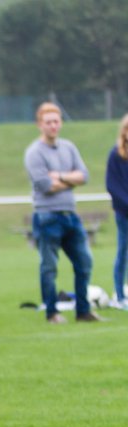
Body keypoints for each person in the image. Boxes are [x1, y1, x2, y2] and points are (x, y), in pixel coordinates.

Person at [25, 102, 98, 323]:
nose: (53, 126)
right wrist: (69, 178)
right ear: (40, 125)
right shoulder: (34, 153)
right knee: (49, 267)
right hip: (47, 216)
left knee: (84, 262)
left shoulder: (69, 147)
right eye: (48, 122)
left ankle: (83, 311)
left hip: (70, 215)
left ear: (61, 123)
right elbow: (45, 185)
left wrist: (60, 176)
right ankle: (52, 313)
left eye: (56, 121)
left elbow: (83, 176)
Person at [105, 114, 128, 308]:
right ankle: (120, 296)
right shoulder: (117, 155)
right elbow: (112, 185)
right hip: (124, 214)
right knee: (123, 252)